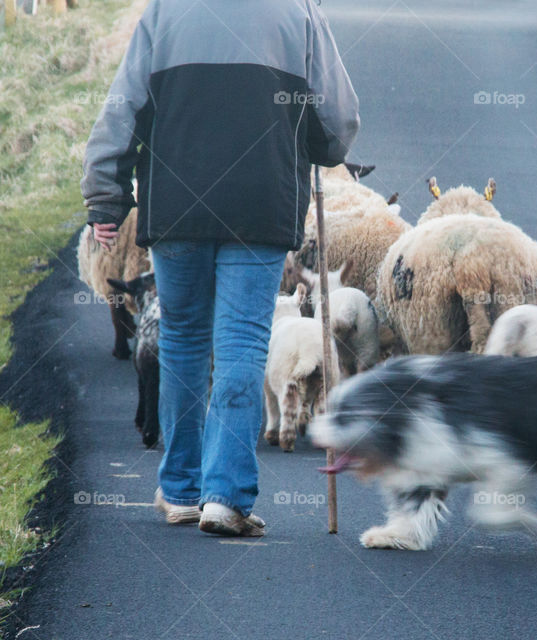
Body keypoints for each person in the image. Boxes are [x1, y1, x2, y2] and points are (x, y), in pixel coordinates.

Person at [81, 0, 359, 537]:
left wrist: (105, 199)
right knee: (243, 340)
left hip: (176, 202)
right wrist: (323, 147)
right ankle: (226, 498)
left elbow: (122, 107)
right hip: (260, 202)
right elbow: (338, 116)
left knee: (183, 336)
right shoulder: (298, 11)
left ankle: (182, 490)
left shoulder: (164, 11)